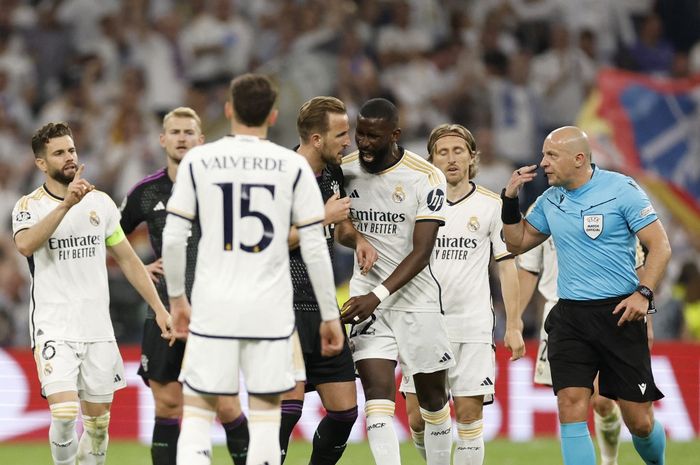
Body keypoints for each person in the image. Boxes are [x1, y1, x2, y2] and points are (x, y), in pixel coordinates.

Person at [161, 73, 344, 465]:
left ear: (228, 110)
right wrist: (330, 315)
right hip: (271, 312)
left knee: (196, 414)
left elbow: (174, 238)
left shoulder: (199, 160)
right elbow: (314, 245)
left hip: (214, 306)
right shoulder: (291, 167)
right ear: (274, 115)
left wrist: (177, 298)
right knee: (265, 418)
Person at [502, 126, 671, 465]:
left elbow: (660, 247)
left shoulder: (621, 189)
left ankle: (657, 461)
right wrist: (509, 201)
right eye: (543, 154)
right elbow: (516, 242)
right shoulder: (550, 200)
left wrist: (644, 294)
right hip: (570, 317)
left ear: (579, 159)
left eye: (551, 155)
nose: (543, 163)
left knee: (639, 421)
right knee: (571, 404)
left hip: (620, 314)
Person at [12, 122, 172, 465]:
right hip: (54, 325)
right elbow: (25, 244)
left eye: (71, 150)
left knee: (98, 426)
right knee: (66, 414)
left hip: (97, 328)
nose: (69, 157)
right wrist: (65, 205)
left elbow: (128, 261)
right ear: (41, 164)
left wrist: (159, 308)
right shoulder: (29, 206)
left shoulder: (100, 203)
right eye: (59, 153)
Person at [120, 107, 249, 465]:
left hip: (213, 310)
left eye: (188, 132)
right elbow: (110, 234)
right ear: (163, 139)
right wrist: (140, 267)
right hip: (163, 311)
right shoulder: (146, 192)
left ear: (200, 139)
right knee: (167, 404)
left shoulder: (222, 188)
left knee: (226, 405)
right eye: (174, 131)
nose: (181, 137)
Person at [399, 123, 525, 465]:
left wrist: (513, 324)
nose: (451, 159)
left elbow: (507, 265)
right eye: (443, 152)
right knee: (416, 418)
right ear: (432, 160)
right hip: (423, 323)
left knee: (468, 418)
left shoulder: (490, 205)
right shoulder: (415, 204)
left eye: (458, 151)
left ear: (472, 158)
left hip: (472, 326)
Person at [340, 98, 454, 465]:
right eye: (361, 135)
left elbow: (422, 252)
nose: (365, 144)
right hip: (366, 299)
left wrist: (377, 295)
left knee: (433, 401)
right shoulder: (344, 170)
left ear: (395, 135)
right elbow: (340, 226)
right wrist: (356, 239)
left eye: (374, 136)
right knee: (377, 394)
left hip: (416, 299)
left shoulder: (426, 177)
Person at [279, 96, 378, 464]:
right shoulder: (280, 176)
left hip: (322, 309)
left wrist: (358, 239)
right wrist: (321, 217)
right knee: (285, 414)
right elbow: (266, 241)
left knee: (344, 414)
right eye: (341, 134)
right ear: (317, 139)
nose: (348, 141)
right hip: (283, 308)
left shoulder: (333, 174)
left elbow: (341, 229)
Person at [518, 235, 652, 465]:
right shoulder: (541, 211)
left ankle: (610, 460)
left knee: (603, 402)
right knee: (570, 405)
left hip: (605, 313)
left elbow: (637, 264)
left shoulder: (612, 202)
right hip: (559, 319)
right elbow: (529, 268)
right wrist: (514, 320)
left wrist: (648, 320)